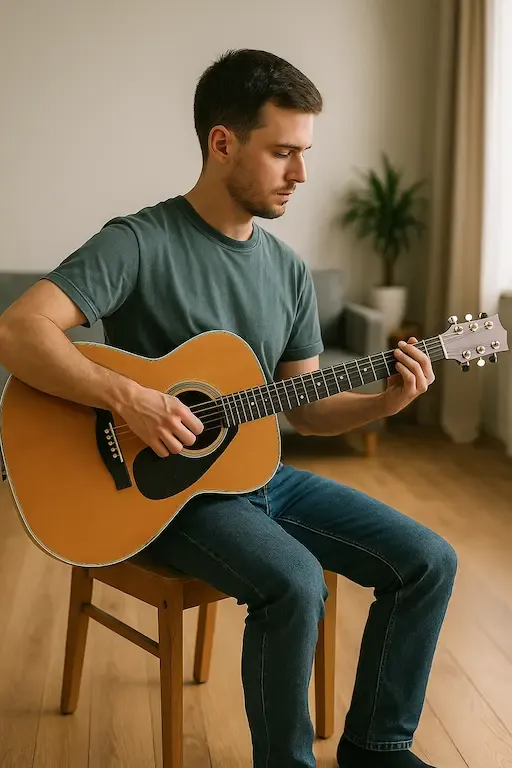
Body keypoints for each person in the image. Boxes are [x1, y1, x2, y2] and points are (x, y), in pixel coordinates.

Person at [0, 49, 456, 768]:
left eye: (304, 153)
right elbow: (18, 330)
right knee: (296, 582)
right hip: (162, 495)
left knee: (428, 559)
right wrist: (134, 398)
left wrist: (384, 401)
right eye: (283, 153)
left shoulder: (287, 270)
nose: (301, 175)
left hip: (261, 477)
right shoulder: (140, 241)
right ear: (223, 143)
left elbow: (306, 408)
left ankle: (377, 746)